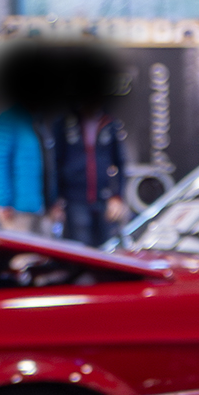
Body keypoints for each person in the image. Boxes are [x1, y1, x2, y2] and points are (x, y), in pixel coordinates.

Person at [45, 41, 128, 247]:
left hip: (103, 200)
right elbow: (54, 164)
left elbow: (120, 163)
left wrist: (117, 196)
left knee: (105, 250)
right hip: (74, 201)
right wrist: (54, 201)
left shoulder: (110, 123)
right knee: (80, 249)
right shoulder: (64, 123)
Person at [0, 39, 55, 236]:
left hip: (37, 207)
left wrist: (52, 202)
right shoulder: (8, 119)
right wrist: (3, 204)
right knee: (20, 261)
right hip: (14, 212)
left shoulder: (37, 122)